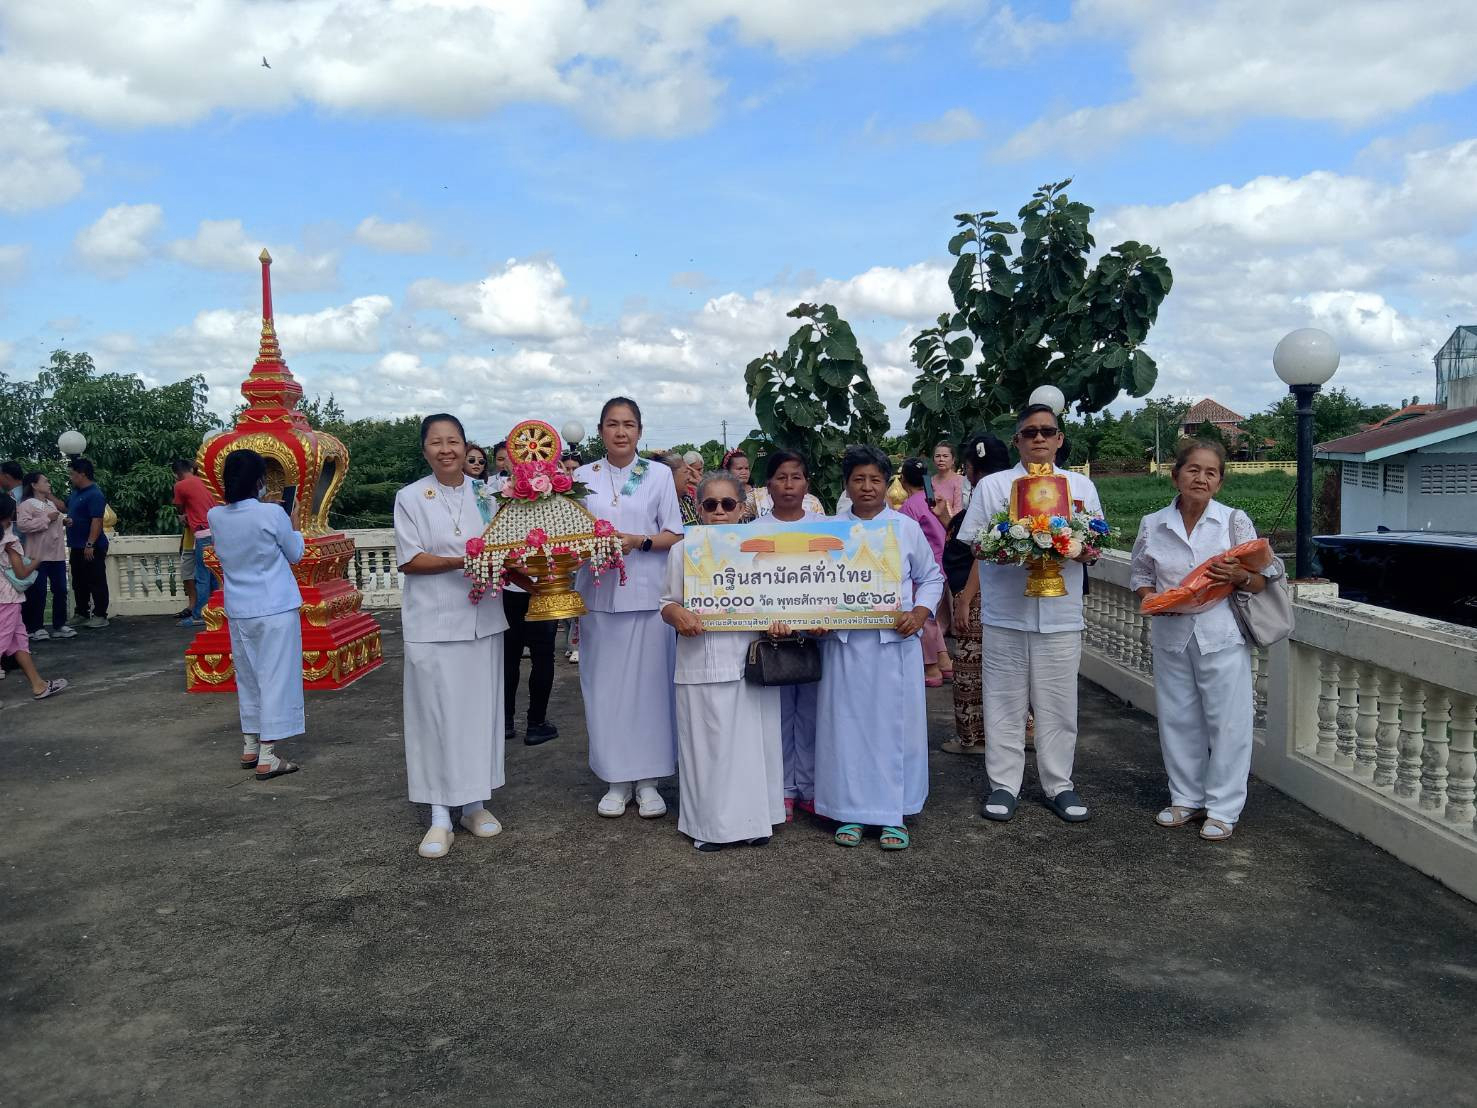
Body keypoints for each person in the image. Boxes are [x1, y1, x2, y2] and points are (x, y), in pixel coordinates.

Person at [958, 404, 1102, 823]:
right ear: (1017, 441)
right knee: (1004, 702)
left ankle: (1060, 784)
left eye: (1047, 431)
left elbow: (1093, 546)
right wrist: (1011, 548)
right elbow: (974, 543)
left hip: (1060, 614)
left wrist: (1072, 547)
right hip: (1006, 614)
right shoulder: (993, 488)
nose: (1038, 438)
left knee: (1058, 705)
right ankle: (1004, 785)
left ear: (1059, 439)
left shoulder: (1080, 487)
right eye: (1030, 432)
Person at [1131, 439, 1275, 842]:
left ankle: (1224, 808)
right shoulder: (1153, 523)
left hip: (1220, 633)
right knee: (1178, 719)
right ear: (1176, 475)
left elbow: (1264, 579)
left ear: (1220, 482)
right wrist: (1153, 600)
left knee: (1228, 724)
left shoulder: (1233, 522)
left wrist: (1240, 577)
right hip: (1171, 632)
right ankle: (1185, 798)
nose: (1201, 478)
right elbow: (1140, 574)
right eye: (1193, 469)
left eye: (1211, 472)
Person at [394, 414, 521, 858]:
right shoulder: (410, 497)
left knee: (477, 715)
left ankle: (474, 803)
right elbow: (410, 559)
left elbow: (508, 550)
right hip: (432, 624)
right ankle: (438, 814)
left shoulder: (488, 496)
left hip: (482, 620)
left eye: (453, 441)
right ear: (425, 449)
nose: (446, 449)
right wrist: (461, 560)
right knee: (435, 718)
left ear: (466, 446)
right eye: (436, 442)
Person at [814, 445, 944, 851]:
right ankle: (849, 812)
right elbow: (812, 582)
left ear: (885, 484)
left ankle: (893, 814)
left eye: (874, 479)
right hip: (846, 644)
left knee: (894, 729)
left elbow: (932, 577)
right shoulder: (830, 531)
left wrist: (920, 613)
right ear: (846, 485)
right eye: (858, 479)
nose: (867, 487)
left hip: (895, 645)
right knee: (847, 728)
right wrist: (815, 618)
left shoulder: (903, 528)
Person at [662, 471, 789, 851]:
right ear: (698, 509)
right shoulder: (681, 551)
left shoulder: (762, 549)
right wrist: (677, 615)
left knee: (753, 746)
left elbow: (779, 600)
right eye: (710, 505)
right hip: (700, 660)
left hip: (750, 660)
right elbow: (666, 602)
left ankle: (755, 822)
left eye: (728, 504)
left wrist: (780, 625)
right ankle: (709, 828)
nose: (719, 512)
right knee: (706, 750)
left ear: (742, 508)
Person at [574, 397, 683, 819]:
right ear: (600, 430)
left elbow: (675, 532)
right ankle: (616, 779)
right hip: (600, 597)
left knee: (652, 688)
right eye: (612, 424)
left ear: (640, 431)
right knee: (605, 688)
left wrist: (640, 541)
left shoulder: (657, 475)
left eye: (629, 424)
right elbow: (570, 536)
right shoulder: (582, 478)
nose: (621, 432)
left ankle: (650, 780)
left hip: (649, 596)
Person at [208, 449, 307, 780]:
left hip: (239, 608)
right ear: (261, 480)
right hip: (275, 605)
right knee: (276, 677)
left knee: (249, 677)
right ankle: (268, 753)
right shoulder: (272, 515)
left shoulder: (215, 516)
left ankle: (251, 745)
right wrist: (292, 525)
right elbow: (295, 554)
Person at [761, 449, 826, 820]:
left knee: (814, 713)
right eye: (781, 477)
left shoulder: (825, 526)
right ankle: (784, 788)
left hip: (817, 636)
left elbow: (838, 577)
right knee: (779, 715)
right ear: (768, 484)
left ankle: (813, 787)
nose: (789, 485)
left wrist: (826, 620)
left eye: (796, 477)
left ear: (807, 484)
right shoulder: (751, 532)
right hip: (772, 639)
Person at [944, 433, 1010, 755]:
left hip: (980, 594)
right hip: (1006, 599)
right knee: (1009, 672)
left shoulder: (987, 493)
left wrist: (966, 597)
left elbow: (981, 552)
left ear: (971, 468)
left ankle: (973, 738)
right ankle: (1021, 729)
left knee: (970, 672)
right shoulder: (1016, 492)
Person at [0, 495, 68, 701]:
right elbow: (21, 573)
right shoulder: (9, 541)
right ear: (10, 514)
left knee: (18, 642)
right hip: (7, 598)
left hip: (7, 598)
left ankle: (38, 685)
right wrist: (36, 561)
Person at [897, 458, 952, 686]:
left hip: (924, 571)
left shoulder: (909, 507)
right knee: (932, 619)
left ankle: (931, 669)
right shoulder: (934, 499)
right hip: (943, 565)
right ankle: (944, 662)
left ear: (901, 480)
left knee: (924, 618)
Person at [16, 473, 74, 641]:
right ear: (34, 485)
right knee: (38, 592)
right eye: (45, 481)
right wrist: (46, 518)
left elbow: (53, 522)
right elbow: (23, 525)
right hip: (37, 556)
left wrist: (63, 522)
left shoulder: (50, 503)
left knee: (61, 590)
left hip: (56, 555)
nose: (49, 484)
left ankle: (59, 624)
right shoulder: (27, 504)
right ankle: (36, 627)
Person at [65, 457, 110, 629]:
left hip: (92, 546)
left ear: (82, 474)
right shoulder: (76, 493)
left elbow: (97, 521)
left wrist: (90, 544)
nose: (71, 477)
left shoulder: (94, 494)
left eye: (72, 474)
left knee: (96, 579)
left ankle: (100, 614)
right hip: (76, 545)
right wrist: (46, 496)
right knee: (79, 581)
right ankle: (82, 612)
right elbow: (64, 507)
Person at [172, 459, 216, 628]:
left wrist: (184, 516)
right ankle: (214, 610)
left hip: (202, 533)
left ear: (176, 474)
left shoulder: (180, 486)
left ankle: (199, 615)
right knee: (213, 574)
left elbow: (180, 508)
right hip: (215, 531)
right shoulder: (204, 481)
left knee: (202, 576)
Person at [931, 443, 964, 525]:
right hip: (931, 526)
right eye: (937, 456)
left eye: (945, 456)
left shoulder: (960, 481)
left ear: (953, 460)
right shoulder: (930, 481)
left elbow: (958, 512)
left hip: (951, 527)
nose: (941, 459)